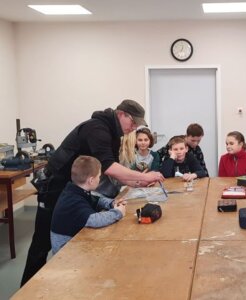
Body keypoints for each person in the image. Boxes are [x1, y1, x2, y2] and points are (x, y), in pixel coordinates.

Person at [21, 99, 164, 286]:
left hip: (75, 188)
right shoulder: (98, 129)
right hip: (55, 187)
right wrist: (143, 177)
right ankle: (26, 290)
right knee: (41, 244)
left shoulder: (113, 133)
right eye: (133, 122)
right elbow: (110, 167)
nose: (135, 127)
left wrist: (136, 182)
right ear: (121, 114)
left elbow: (110, 169)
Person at [51, 156, 126, 254]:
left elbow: (96, 200)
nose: (99, 179)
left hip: (75, 242)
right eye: (99, 176)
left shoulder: (77, 190)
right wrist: (118, 212)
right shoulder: (73, 200)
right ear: (91, 180)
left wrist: (111, 203)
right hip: (66, 251)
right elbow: (94, 220)